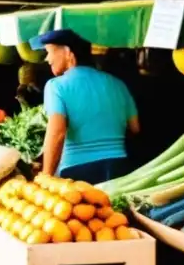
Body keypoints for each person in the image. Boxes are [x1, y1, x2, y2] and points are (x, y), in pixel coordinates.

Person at [33, 29, 140, 183]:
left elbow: (57, 132)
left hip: (79, 170)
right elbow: (135, 127)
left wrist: (46, 176)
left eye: (49, 52)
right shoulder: (118, 84)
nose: (47, 59)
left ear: (68, 52)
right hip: (119, 166)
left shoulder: (56, 86)